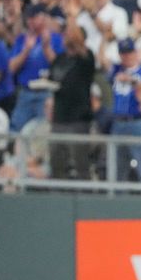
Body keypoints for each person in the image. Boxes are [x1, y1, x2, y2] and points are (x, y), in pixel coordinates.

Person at [48, 24, 96, 180]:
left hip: (78, 118)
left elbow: (86, 60)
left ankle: (85, 196)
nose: (65, 37)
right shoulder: (60, 58)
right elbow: (51, 78)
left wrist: (76, 38)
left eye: (69, 34)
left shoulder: (86, 57)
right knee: (56, 159)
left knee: (80, 161)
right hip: (59, 117)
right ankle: (57, 195)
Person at [8, 4, 64, 132]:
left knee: (43, 130)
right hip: (25, 91)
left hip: (47, 93)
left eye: (34, 17)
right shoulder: (21, 39)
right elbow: (11, 68)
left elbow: (60, 67)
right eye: (28, 18)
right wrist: (26, 50)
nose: (30, 21)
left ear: (44, 18)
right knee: (17, 130)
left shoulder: (56, 39)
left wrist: (46, 47)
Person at [110, 38, 141, 182]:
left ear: (136, 52)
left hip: (139, 123)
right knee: (117, 170)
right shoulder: (116, 69)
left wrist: (132, 81)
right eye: (123, 53)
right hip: (119, 123)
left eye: (129, 52)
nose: (127, 56)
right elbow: (102, 60)